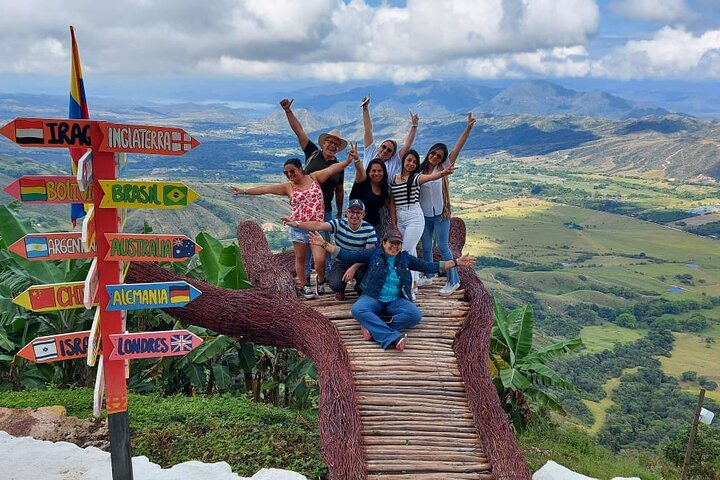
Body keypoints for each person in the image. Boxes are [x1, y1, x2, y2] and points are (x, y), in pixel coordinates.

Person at [309, 229, 476, 351]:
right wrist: (323, 244)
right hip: (373, 296)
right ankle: (393, 337)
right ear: (384, 243)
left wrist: (456, 262)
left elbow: (429, 266)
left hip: (396, 299)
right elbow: (348, 256)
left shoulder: (405, 258)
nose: (394, 247)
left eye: (398, 244)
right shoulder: (374, 254)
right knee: (357, 309)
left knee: (415, 315)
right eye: (391, 243)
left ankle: (373, 328)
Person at [231, 144, 358, 299]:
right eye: (286, 173)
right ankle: (305, 286)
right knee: (300, 258)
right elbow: (266, 188)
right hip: (297, 227)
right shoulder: (288, 187)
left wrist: (348, 161)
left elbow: (333, 169)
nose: (289, 175)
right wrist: (244, 191)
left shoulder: (315, 177)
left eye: (292, 171)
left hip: (316, 227)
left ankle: (319, 279)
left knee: (320, 259)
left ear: (300, 168)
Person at [280, 98, 347, 285]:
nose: (332, 146)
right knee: (303, 250)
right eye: (330, 143)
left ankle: (321, 281)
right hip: (302, 211)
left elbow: (339, 190)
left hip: (324, 212)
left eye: (336, 144)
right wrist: (288, 111)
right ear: (324, 143)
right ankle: (306, 282)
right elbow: (298, 131)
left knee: (320, 248)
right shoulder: (312, 153)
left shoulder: (337, 167)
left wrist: (339, 212)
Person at [417, 113, 477, 296]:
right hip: (424, 214)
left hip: (441, 214)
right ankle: (428, 274)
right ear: (429, 153)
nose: (435, 157)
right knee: (426, 246)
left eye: (439, 155)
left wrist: (468, 128)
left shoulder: (443, 168)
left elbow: (458, 148)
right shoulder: (419, 171)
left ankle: (454, 280)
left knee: (443, 247)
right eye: (433, 153)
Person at [388, 149, 456, 297]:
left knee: (405, 251)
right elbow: (392, 202)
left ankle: (408, 286)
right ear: (403, 161)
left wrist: (443, 173)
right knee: (410, 250)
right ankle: (414, 282)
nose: (411, 164)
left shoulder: (416, 177)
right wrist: (393, 223)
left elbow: (430, 178)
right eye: (409, 160)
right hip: (400, 217)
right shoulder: (394, 178)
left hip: (414, 216)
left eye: (414, 161)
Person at [283, 199, 377, 301]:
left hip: (359, 263)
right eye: (352, 212)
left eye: (358, 213)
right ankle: (340, 289)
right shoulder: (339, 223)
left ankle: (360, 289)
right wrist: (297, 224)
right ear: (347, 213)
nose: (354, 215)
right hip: (340, 261)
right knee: (335, 283)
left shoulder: (369, 229)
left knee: (364, 277)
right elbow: (319, 225)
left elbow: (368, 255)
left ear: (363, 214)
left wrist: (354, 267)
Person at [360, 96, 419, 180]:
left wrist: (414, 126)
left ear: (392, 154)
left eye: (389, 150)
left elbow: (407, 146)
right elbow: (368, 129)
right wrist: (365, 108)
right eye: (384, 147)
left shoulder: (394, 162)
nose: (385, 151)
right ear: (379, 147)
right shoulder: (371, 152)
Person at [349, 158, 389, 241]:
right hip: (357, 225)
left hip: (375, 227)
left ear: (384, 172)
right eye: (373, 171)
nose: (377, 173)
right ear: (368, 172)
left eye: (379, 171)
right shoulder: (362, 182)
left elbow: (388, 204)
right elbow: (360, 170)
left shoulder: (384, 187)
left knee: (373, 252)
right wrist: (356, 159)